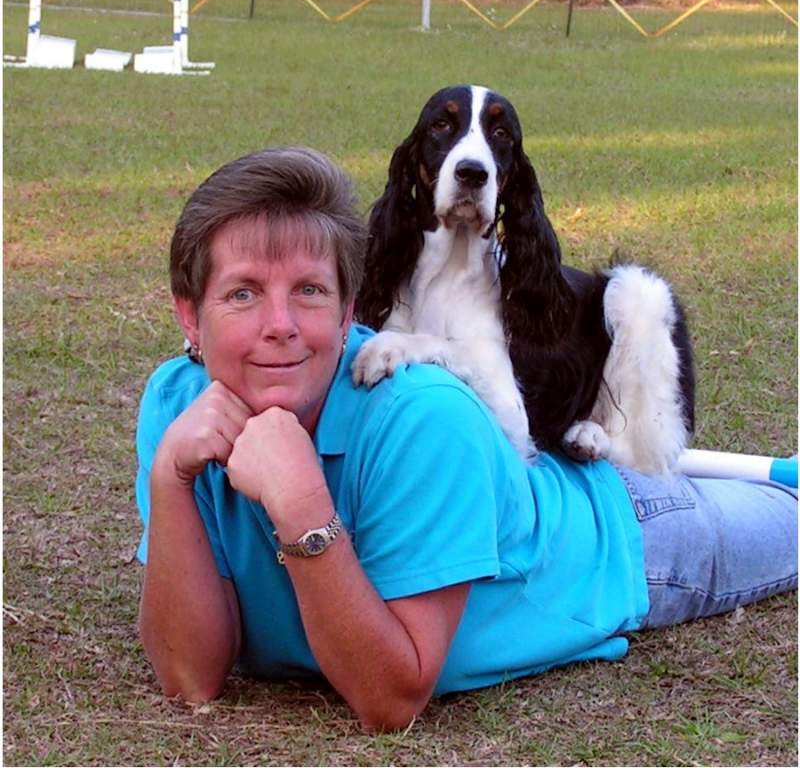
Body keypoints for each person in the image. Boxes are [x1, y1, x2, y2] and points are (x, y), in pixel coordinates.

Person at [135, 146, 797, 732]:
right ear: (189, 315)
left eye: (309, 291)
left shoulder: (423, 419)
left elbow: (390, 698)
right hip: (510, 491)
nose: (280, 324)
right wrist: (171, 481)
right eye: (243, 294)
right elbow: (190, 679)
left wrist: (302, 502)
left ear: (346, 311)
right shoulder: (177, 406)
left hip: (620, 535)